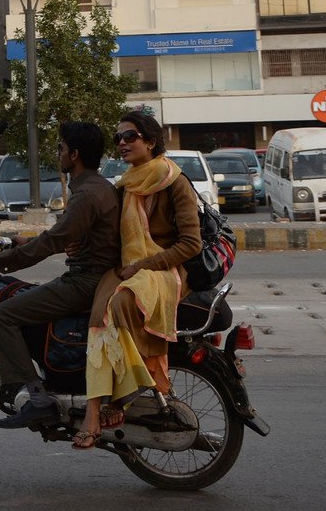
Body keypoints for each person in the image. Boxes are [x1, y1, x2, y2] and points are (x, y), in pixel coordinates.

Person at [0, 121, 119, 430]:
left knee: (2, 315)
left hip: (86, 283)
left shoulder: (86, 194)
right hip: (96, 277)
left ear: (74, 154)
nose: (58, 153)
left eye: (61, 148)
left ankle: (38, 400)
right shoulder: (98, 187)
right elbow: (66, 235)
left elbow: (53, 243)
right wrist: (24, 241)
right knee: (17, 293)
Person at [74, 110, 201, 450]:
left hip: (165, 270)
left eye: (129, 136)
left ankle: (122, 397)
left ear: (151, 141)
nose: (121, 143)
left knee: (122, 303)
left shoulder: (175, 182)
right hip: (129, 267)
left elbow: (191, 243)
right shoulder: (126, 184)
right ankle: (93, 408)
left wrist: (144, 264)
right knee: (98, 318)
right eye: (117, 138)